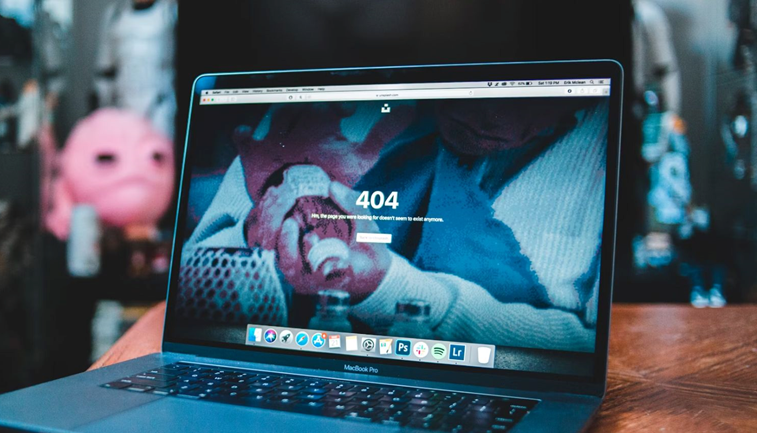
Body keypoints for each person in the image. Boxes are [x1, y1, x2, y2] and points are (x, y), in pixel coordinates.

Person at [184, 98, 608, 353]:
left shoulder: (607, 154)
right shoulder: (316, 115)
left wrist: (388, 288)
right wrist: (256, 232)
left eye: (529, 99)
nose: (491, 115)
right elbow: (190, 300)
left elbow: (583, 352)